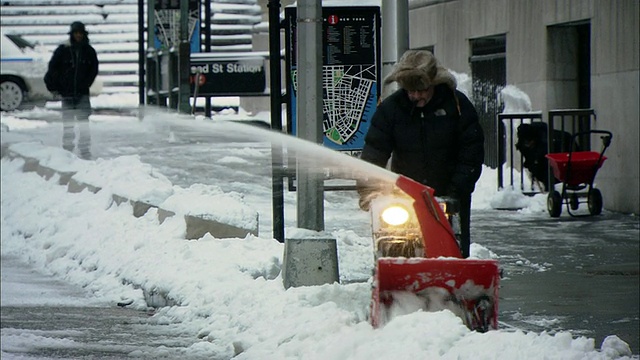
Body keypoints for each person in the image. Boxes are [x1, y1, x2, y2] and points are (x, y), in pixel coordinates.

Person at [358, 50, 484, 258]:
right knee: (398, 245)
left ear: (433, 83)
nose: (416, 96)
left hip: (449, 193)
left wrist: (457, 190)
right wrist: (368, 191)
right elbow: (375, 151)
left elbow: (471, 151)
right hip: (405, 195)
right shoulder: (391, 109)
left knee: (451, 248)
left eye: (422, 90)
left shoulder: (457, 107)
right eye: (410, 90)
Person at [45, 21, 99, 160]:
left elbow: (93, 70)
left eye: (80, 33)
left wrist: (85, 84)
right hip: (67, 93)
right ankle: (68, 150)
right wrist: (56, 87)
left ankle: (84, 150)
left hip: (82, 93)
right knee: (68, 125)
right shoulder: (63, 50)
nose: (78, 36)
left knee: (83, 124)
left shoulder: (89, 51)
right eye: (76, 33)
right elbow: (52, 69)